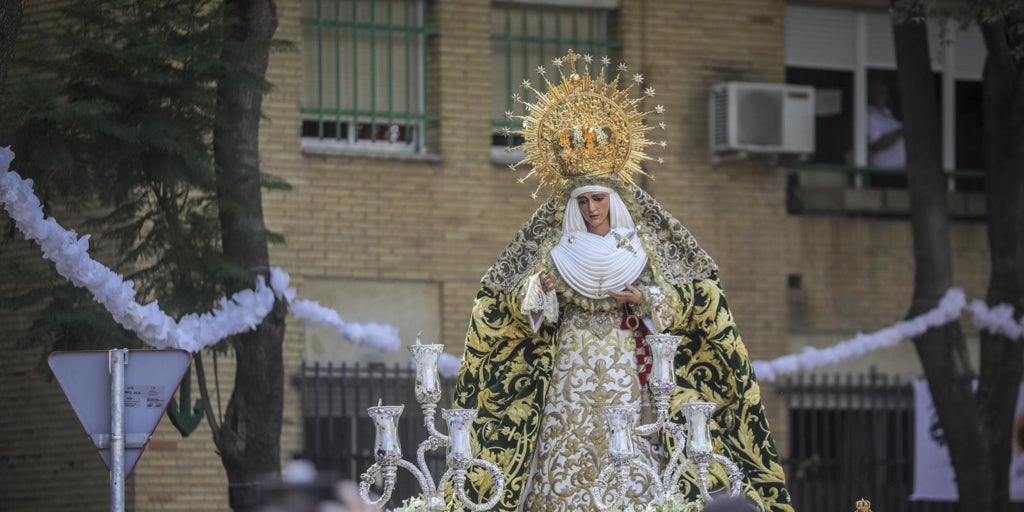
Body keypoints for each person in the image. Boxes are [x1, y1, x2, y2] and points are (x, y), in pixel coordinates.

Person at [450, 50, 792, 512]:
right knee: (564, 436)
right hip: (569, 361)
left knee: (627, 439)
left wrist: (646, 298)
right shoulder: (554, 247)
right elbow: (506, 303)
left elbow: (691, 299)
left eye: (599, 200)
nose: (593, 210)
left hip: (622, 362)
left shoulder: (643, 245)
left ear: (614, 199)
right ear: (573, 205)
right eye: (584, 201)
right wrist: (540, 294)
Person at [866, 80, 905, 168]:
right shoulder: (867, 115)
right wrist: (902, 130)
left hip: (901, 170)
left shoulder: (887, 114)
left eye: (886, 92)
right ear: (870, 93)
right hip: (884, 171)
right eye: (881, 92)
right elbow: (877, 143)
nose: (886, 96)